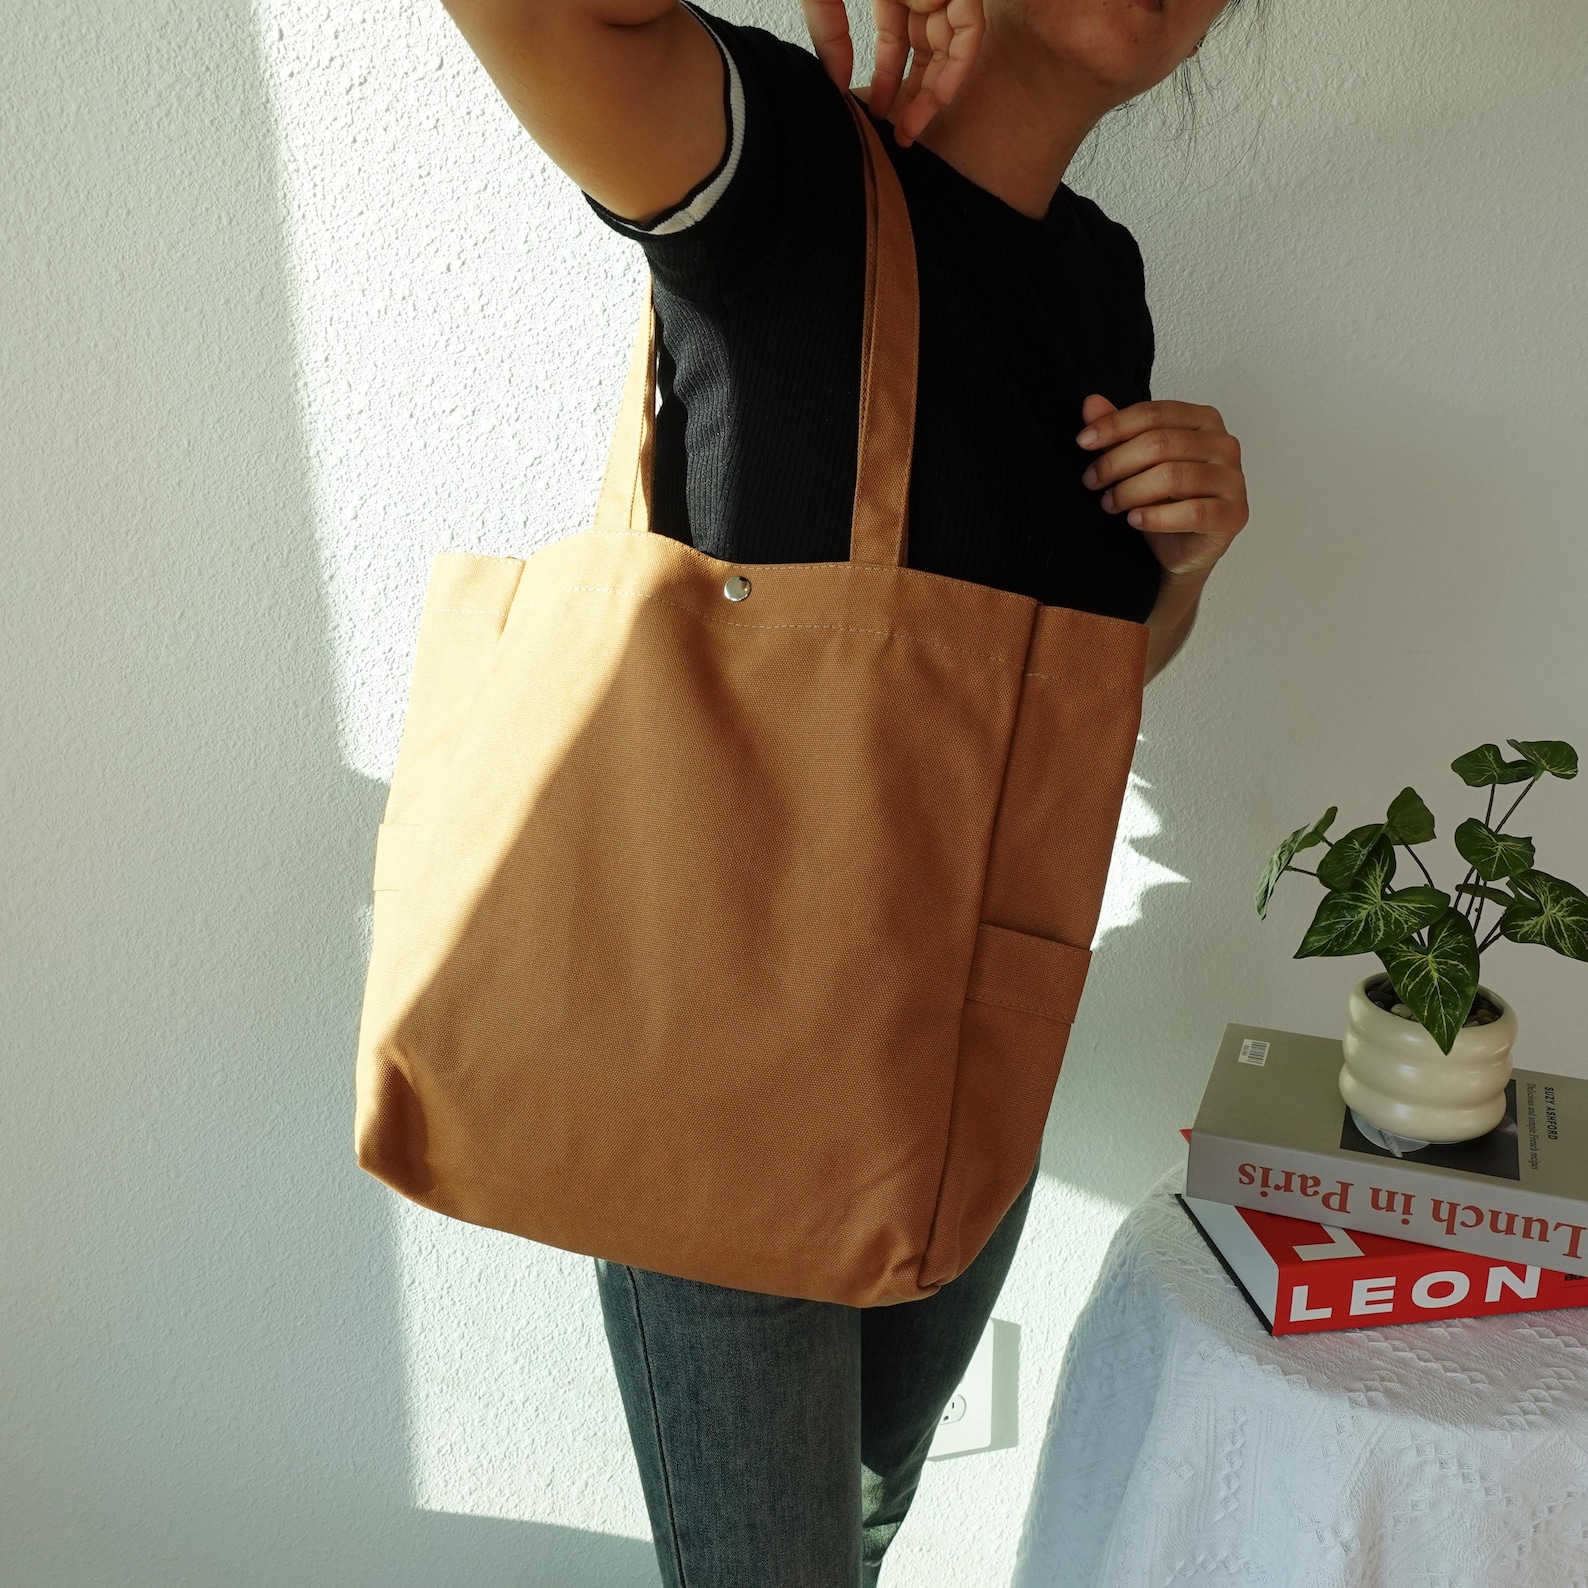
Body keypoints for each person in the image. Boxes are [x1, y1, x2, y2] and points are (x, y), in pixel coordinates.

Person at [433, 0, 1252, 1580]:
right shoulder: (782, 167)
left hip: (972, 1039)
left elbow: (1074, 697)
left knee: (861, 1528)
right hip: (730, 1041)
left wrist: (1186, 567)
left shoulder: (1099, 279)